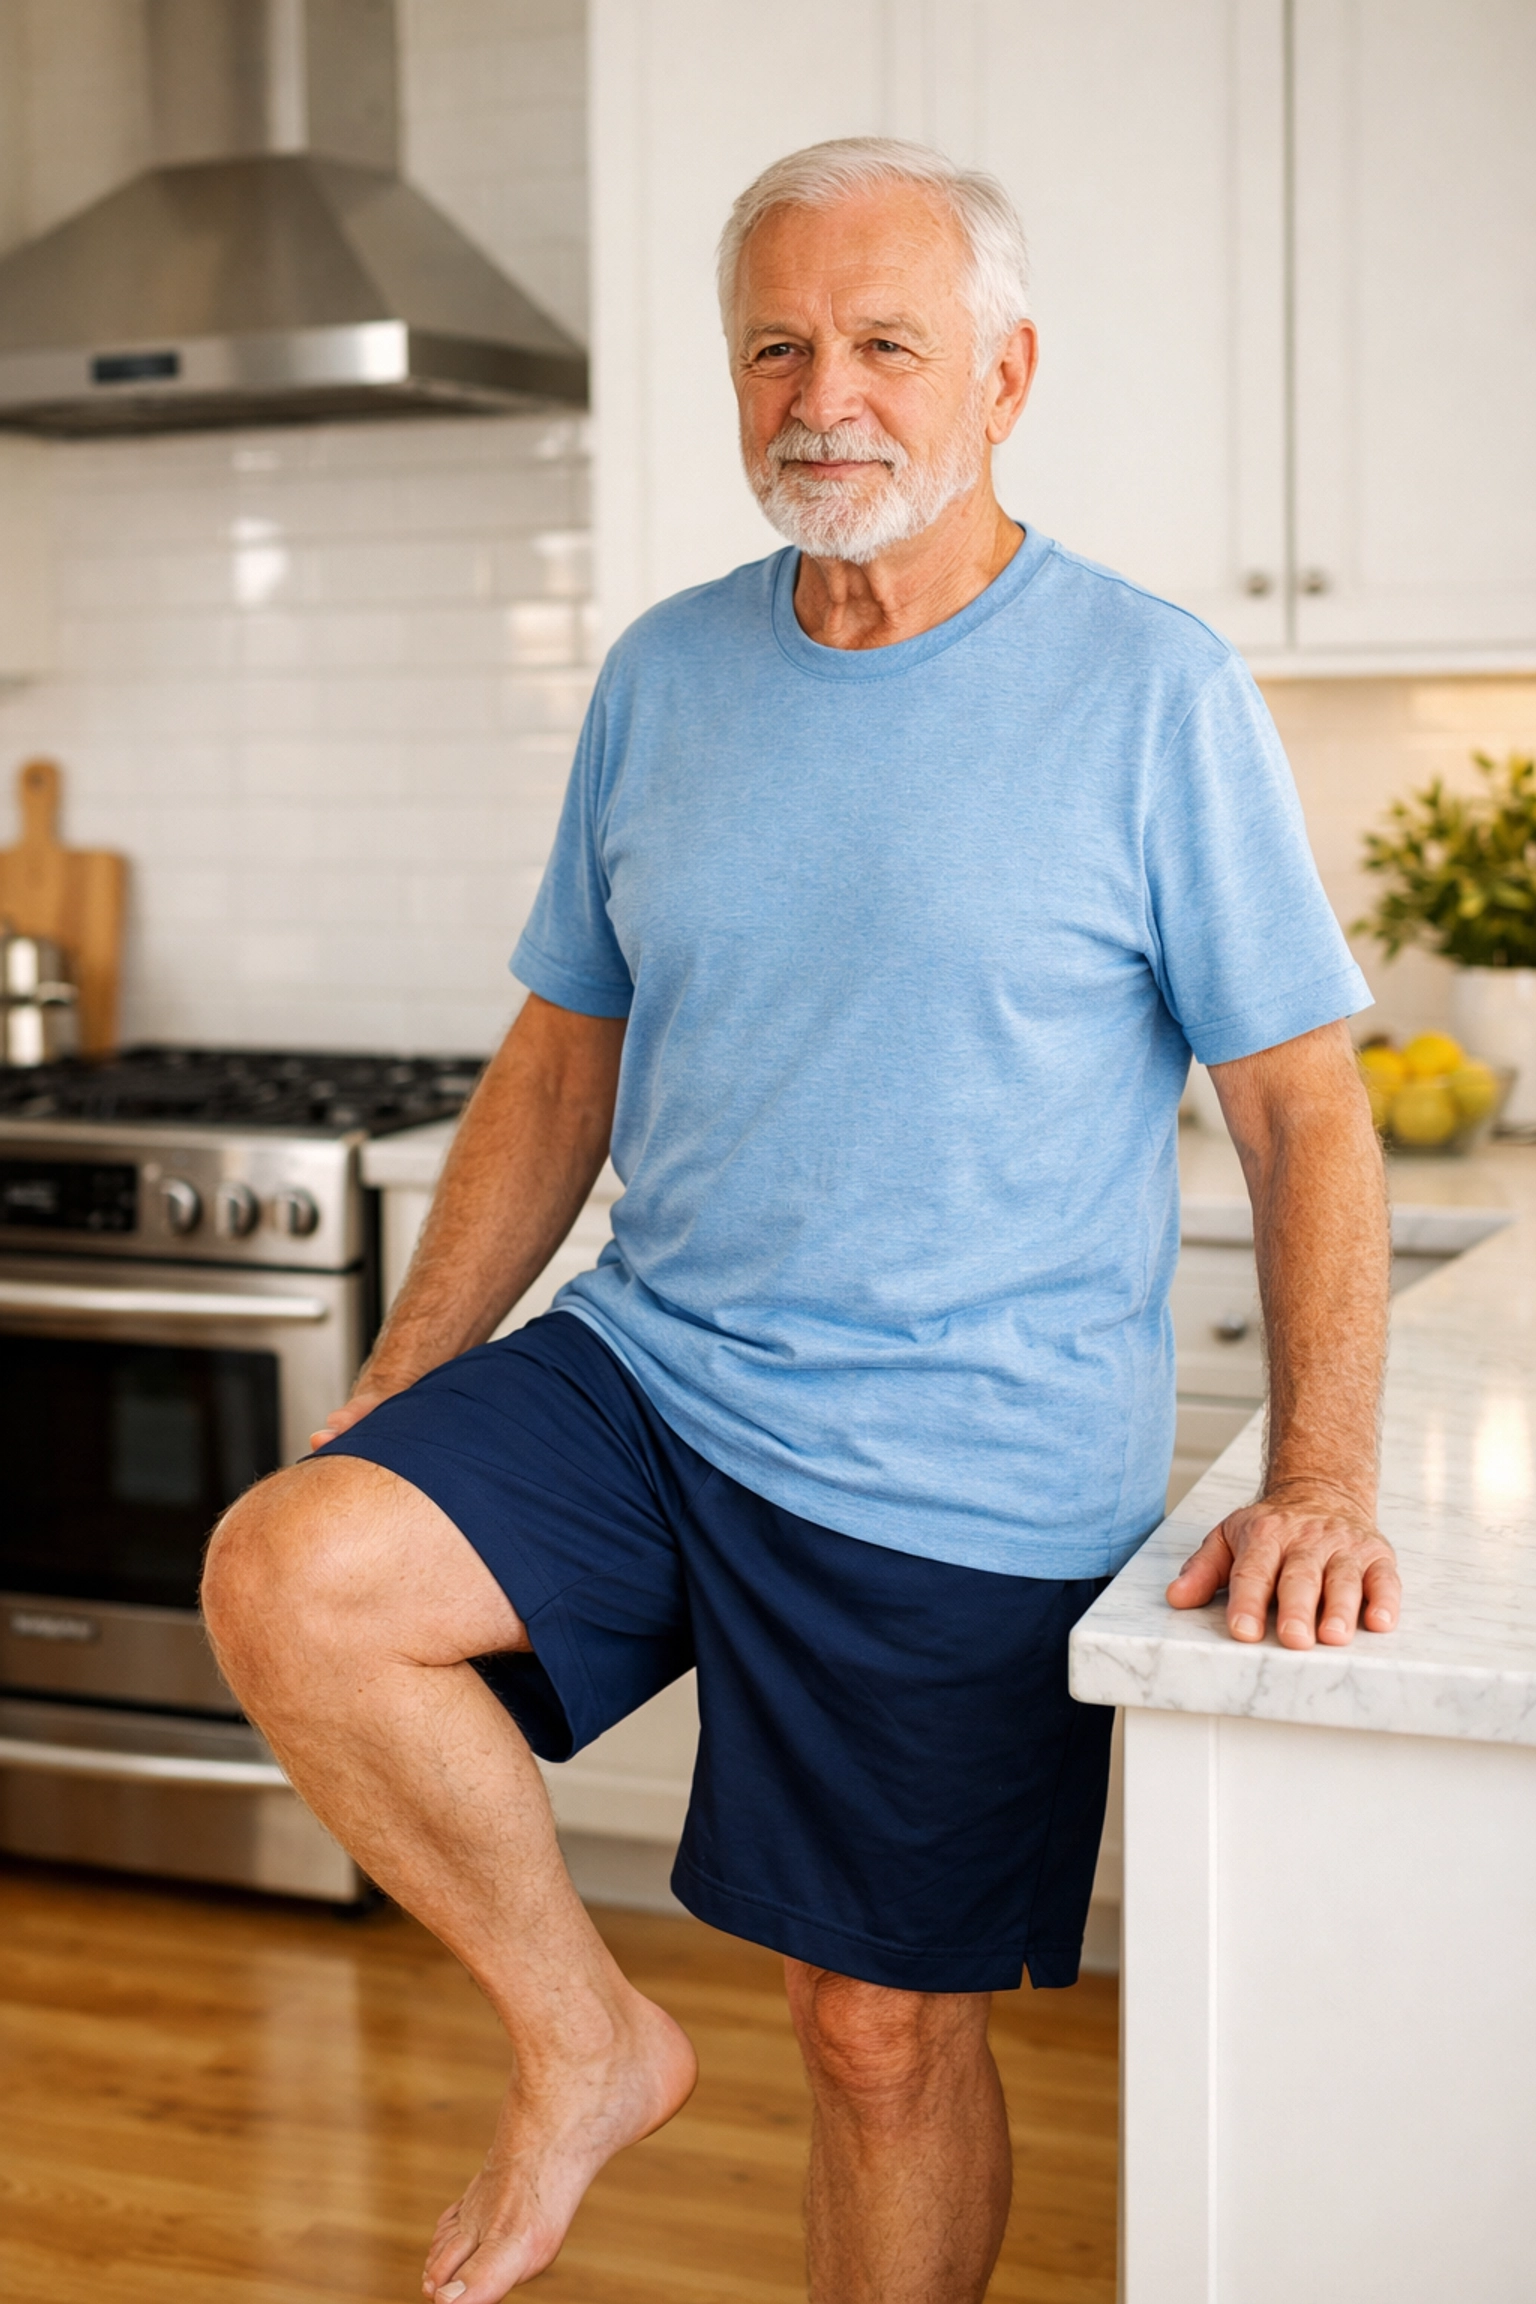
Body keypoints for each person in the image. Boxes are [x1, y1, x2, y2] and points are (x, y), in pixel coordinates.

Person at [201, 137, 1399, 2304]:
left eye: (883, 342)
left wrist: (1322, 1470)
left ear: (1005, 376)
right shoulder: (664, 674)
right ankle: (584, 2038)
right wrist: (404, 1381)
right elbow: (562, 1057)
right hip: (652, 1373)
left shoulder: (1151, 688)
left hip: (962, 1458)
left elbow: (1304, 1111)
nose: (820, 394)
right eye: (774, 345)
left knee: (871, 2036)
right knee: (296, 1567)